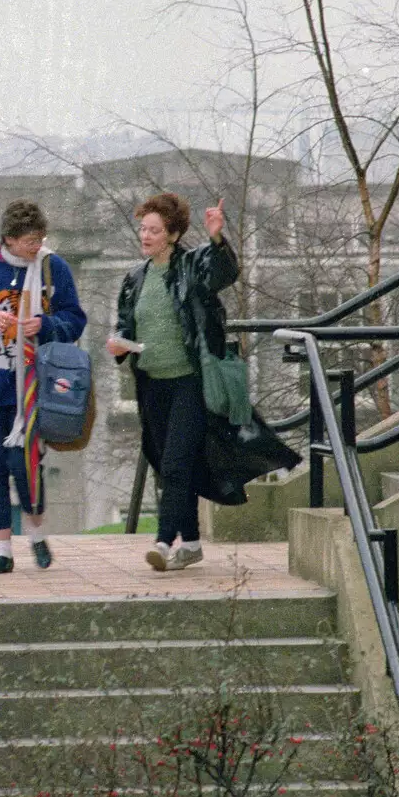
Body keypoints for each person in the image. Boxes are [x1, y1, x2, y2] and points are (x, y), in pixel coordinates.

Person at [0, 199, 87, 574]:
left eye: (40, 238)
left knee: (24, 466)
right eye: (28, 240)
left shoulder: (54, 268)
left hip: (34, 387)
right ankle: (3, 550)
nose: (36, 246)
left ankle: (37, 536)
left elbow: (75, 319)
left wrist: (49, 326)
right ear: (8, 238)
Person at [107, 193, 238, 572]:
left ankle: (164, 543)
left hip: (189, 381)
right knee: (168, 465)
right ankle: (192, 543)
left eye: (154, 230)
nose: (145, 236)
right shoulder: (135, 277)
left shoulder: (192, 266)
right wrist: (118, 345)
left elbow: (225, 273)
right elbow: (125, 325)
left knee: (178, 463)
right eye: (143, 229)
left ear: (173, 234)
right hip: (151, 383)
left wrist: (216, 237)